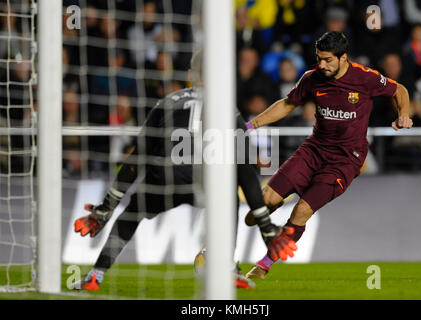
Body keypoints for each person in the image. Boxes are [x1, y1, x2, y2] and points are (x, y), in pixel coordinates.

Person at [72, 50, 297, 291]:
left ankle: (96, 275)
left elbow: (136, 159)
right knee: (229, 196)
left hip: (166, 178)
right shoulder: (227, 110)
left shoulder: (166, 102)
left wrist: (107, 206)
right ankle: (226, 266)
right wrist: (266, 227)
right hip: (207, 181)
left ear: (191, 75)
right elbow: (245, 170)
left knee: (131, 215)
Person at [244, 31, 413, 279]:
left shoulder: (365, 78)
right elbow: (288, 104)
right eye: (319, 58)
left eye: (327, 60)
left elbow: (400, 91)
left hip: (346, 159)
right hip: (314, 148)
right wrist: (251, 125)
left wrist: (403, 114)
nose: (321, 64)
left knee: (301, 210)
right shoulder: (312, 77)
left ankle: (264, 265)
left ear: (343, 58)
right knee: (266, 199)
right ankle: (265, 210)